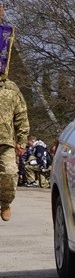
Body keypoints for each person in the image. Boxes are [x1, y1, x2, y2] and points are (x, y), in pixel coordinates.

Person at [0, 67, 30, 221]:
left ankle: (5, 202)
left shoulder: (11, 88)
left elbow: (21, 115)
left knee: (10, 173)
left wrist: (22, 140)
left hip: (5, 142)